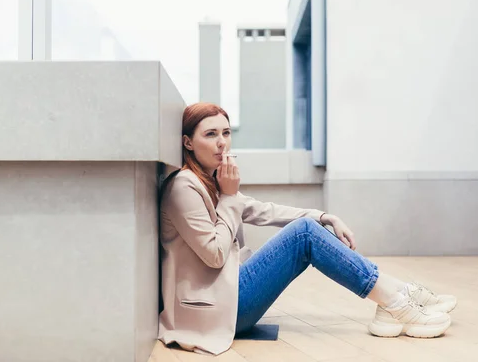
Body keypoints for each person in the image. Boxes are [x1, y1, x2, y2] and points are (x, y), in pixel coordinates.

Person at [157, 102, 457, 356]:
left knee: (306, 228)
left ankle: (396, 294)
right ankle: (395, 302)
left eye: (225, 132)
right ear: (188, 143)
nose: (222, 142)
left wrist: (323, 215)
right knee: (303, 234)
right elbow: (215, 255)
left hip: (226, 296)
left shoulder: (210, 182)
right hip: (214, 310)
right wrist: (231, 196)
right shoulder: (184, 186)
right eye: (210, 134)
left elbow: (264, 211)